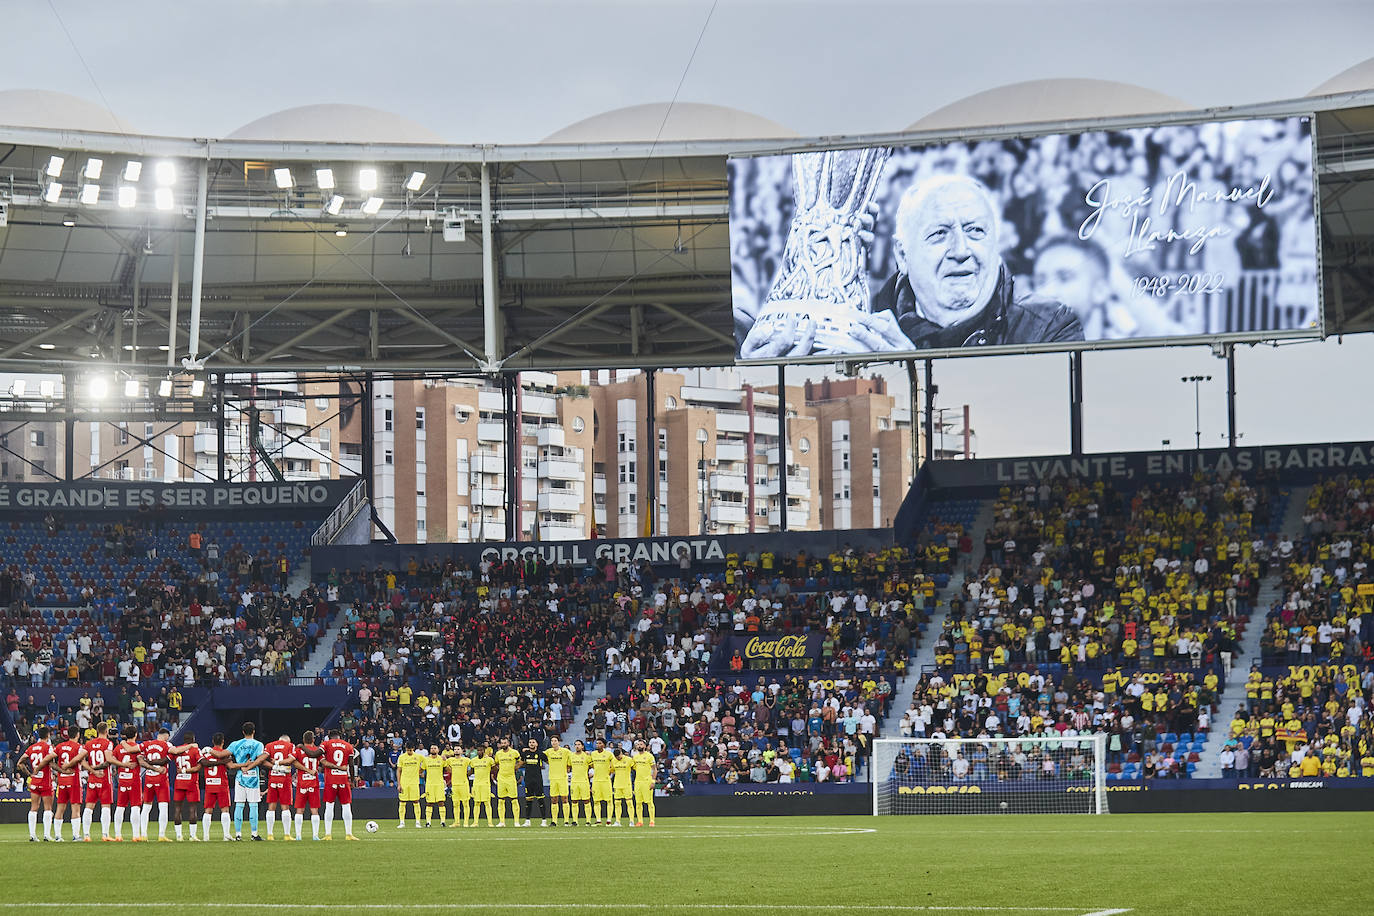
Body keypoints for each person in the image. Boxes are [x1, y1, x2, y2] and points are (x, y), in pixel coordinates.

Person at [865, 175, 1084, 351]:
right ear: (903, 256)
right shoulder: (865, 320)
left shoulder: (1049, 328)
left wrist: (904, 372)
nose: (961, 251)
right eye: (939, 233)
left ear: (996, 246)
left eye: (975, 231)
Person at [1031, 235, 1187, 340]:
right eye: (1041, 282)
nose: (1047, 292)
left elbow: (1165, 333)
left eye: (1065, 278)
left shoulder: (1131, 353)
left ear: (1100, 291)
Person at [225, 721, 267, 841]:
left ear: (243, 732)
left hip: (240, 777)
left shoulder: (235, 744)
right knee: (253, 805)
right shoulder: (259, 744)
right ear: (254, 731)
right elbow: (260, 760)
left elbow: (225, 755)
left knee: (239, 805)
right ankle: (254, 834)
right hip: (253, 778)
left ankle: (238, 834)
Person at [319, 728, 360, 840]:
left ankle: (328, 834)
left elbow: (319, 758)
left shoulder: (326, 744)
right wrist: (352, 780)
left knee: (329, 806)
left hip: (330, 779)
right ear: (340, 736)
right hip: (343, 779)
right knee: (346, 806)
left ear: (329, 736)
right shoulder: (348, 746)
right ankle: (349, 834)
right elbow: (351, 764)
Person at [138, 726, 177, 842]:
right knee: (163, 807)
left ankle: (143, 835)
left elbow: (139, 757)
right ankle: (161, 835)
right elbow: (167, 759)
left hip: (149, 779)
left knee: (146, 807)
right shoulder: (167, 745)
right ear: (166, 736)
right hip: (161, 779)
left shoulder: (147, 744)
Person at [19, 725, 57, 842]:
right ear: (48, 735)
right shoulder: (48, 747)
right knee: (48, 808)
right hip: (46, 781)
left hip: (34, 781)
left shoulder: (31, 748)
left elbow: (20, 763)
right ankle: (46, 835)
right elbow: (51, 763)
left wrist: (29, 774)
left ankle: (32, 835)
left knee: (34, 807)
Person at [81, 721, 117, 842]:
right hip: (104, 778)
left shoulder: (89, 744)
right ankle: (105, 835)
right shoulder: (108, 743)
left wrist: (92, 770)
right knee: (105, 807)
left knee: (89, 807)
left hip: (92, 779)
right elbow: (108, 760)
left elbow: (81, 760)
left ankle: (86, 835)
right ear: (106, 731)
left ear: (96, 730)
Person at [52, 725, 87, 842]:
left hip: (62, 780)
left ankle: (57, 836)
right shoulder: (78, 747)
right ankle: (76, 836)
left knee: (60, 808)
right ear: (78, 735)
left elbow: (48, 760)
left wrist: (60, 770)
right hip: (74, 780)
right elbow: (80, 758)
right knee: (75, 808)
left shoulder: (60, 746)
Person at [110, 726, 145, 841]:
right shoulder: (137, 748)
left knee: (120, 807)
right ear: (135, 734)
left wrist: (120, 764)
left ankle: (118, 835)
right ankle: (135, 835)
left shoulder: (119, 747)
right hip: (134, 780)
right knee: (135, 807)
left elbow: (110, 759)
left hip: (122, 780)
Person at [262, 732, 297, 840]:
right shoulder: (290, 746)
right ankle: (287, 835)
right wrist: (280, 764)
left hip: (273, 778)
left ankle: (270, 835)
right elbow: (292, 760)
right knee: (285, 807)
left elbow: (262, 760)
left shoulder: (269, 745)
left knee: (271, 807)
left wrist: (274, 766)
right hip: (284, 778)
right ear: (287, 740)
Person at [199, 733, 234, 841]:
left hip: (210, 784)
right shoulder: (224, 754)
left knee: (208, 810)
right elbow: (231, 767)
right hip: (221, 785)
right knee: (225, 810)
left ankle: (206, 836)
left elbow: (202, 765)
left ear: (213, 742)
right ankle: (226, 835)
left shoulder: (206, 754)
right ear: (223, 741)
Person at [291, 732, 324, 841]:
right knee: (314, 810)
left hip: (302, 784)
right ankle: (315, 835)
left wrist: (305, 770)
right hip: (313, 784)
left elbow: (294, 762)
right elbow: (323, 763)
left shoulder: (299, 750)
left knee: (299, 810)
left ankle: (298, 835)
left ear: (303, 739)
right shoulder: (317, 750)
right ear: (313, 739)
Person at [170, 731, 202, 841]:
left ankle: (179, 836)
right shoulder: (195, 750)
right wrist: (187, 770)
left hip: (179, 782)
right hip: (191, 782)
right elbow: (199, 767)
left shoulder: (178, 750)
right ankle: (192, 836)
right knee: (192, 809)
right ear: (193, 740)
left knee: (177, 809)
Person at [543, 735, 573, 827]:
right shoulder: (548, 752)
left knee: (564, 799)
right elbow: (540, 755)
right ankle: (554, 821)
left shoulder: (565, 751)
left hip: (562, 778)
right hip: (552, 778)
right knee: (554, 799)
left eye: (555, 741)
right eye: (552, 741)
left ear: (559, 742)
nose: (553, 742)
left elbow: (573, 758)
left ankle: (566, 821)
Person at [493, 737, 521, 827]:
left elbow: (520, 761)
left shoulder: (514, 752)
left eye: (505, 743)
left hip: (511, 778)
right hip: (501, 778)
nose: (503, 744)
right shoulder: (498, 754)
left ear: (508, 743)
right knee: (501, 800)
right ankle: (502, 822)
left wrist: (516, 767)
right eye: (502, 743)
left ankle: (516, 822)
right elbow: (496, 764)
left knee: (514, 800)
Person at [520, 738, 548, 827]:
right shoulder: (525, 754)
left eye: (533, 742)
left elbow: (549, 762)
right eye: (530, 742)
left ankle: (544, 820)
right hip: (528, 780)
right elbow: (520, 763)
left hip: (538, 780)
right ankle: (527, 821)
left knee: (541, 800)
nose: (531, 743)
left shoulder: (540, 754)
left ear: (537, 744)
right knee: (528, 800)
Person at [396, 742, 423, 828]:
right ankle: (402, 822)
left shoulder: (418, 757)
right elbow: (399, 770)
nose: (409, 752)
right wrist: (399, 784)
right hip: (404, 783)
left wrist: (421, 771)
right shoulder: (402, 757)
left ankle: (418, 822)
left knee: (416, 801)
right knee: (402, 802)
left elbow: (427, 762)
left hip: (414, 783)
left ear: (413, 749)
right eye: (408, 750)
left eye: (410, 750)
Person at [631, 739, 657, 827]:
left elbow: (654, 769)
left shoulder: (649, 756)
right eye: (638, 744)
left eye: (641, 744)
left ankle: (652, 821)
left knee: (649, 802)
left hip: (647, 781)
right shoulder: (635, 757)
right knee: (638, 802)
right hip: (638, 782)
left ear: (645, 746)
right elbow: (633, 767)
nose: (639, 746)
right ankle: (640, 821)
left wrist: (653, 781)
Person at [468, 745, 496, 827]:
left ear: (484, 751)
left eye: (481, 750)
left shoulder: (489, 760)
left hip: (485, 784)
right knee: (476, 803)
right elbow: (471, 771)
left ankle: (490, 822)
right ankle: (475, 822)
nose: (479, 752)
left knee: (487, 803)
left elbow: (495, 769)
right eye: (478, 750)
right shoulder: (473, 760)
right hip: (476, 784)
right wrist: (465, 775)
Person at [589, 738, 614, 825]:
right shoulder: (593, 754)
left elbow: (614, 765)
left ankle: (609, 820)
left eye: (599, 743)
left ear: (603, 745)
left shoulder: (609, 754)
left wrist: (609, 772)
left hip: (606, 780)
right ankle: (598, 820)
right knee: (596, 801)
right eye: (597, 743)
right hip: (596, 781)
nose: (597, 745)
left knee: (609, 800)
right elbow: (590, 765)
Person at [567, 739, 592, 826]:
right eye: (576, 744)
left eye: (579, 744)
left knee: (586, 801)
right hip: (574, 782)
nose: (577, 746)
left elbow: (592, 766)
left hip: (584, 781)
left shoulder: (586, 756)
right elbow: (568, 767)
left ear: (582, 746)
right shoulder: (571, 756)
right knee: (574, 801)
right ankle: (575, 821)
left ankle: (588, 821)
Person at [445, 746, 472, 828]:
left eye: (458, 749)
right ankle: (456, 822)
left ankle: (466, 822)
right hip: (455, 784)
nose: (456, 751)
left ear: (462, 751)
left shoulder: (466, 760)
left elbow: (474, 766)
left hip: (464, 784)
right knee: (455, 804)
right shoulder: (450, 760)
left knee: (465, 803)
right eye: (455, 749)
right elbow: (446, 767)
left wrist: (467, 774)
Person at [423, 743, 448, 827]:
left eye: (435, 748)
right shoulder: (426, 759)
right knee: (429, 803)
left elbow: (448, 770)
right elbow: (420, 771)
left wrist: (446, 761)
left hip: (439, 784)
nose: (433, 749)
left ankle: (443, 821)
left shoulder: (441, 759)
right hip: (429, 784)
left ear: (438, 750)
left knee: (441, 802)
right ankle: (428, 822)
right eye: (432, 748)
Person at [609, 745, 634, 827]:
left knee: (629, 803)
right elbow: (612, 771)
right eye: (616, 757)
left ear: (621, 753)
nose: (618, 758)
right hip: (617, 784)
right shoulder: (613, 761)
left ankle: (631, 821)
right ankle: (617, 821)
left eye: (619, 756)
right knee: (617, 803)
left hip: (627, 784)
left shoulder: (629, 760)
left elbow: (635, 768)